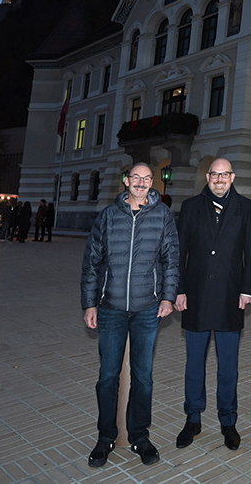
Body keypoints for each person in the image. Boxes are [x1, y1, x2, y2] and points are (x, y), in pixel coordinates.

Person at [81, 162, 180, 468]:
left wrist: (168, 297)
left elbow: (171, 259)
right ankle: (105, 437)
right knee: (107, 377)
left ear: (153, 184)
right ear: (126, 181)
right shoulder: (108, 216)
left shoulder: (162, 215)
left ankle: (139, 436)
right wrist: (90, 303)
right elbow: (92, 262)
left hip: (147, 309)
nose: (140, 182)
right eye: (135, 177)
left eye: (146, 178)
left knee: (144, 377)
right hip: (110, 309)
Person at [174, 158, 251, 451]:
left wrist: (248, 290)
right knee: (194, 364)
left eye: (224, 174)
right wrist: (179, 290)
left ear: (232, 177)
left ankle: (228, 420)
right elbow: (179, 252)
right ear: (207, 176)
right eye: (214, 174)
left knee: (228, 367)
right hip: (195, 297)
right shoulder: (190, 207)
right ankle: (192, 418)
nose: (219, 179)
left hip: (229, 297)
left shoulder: (246, 208)